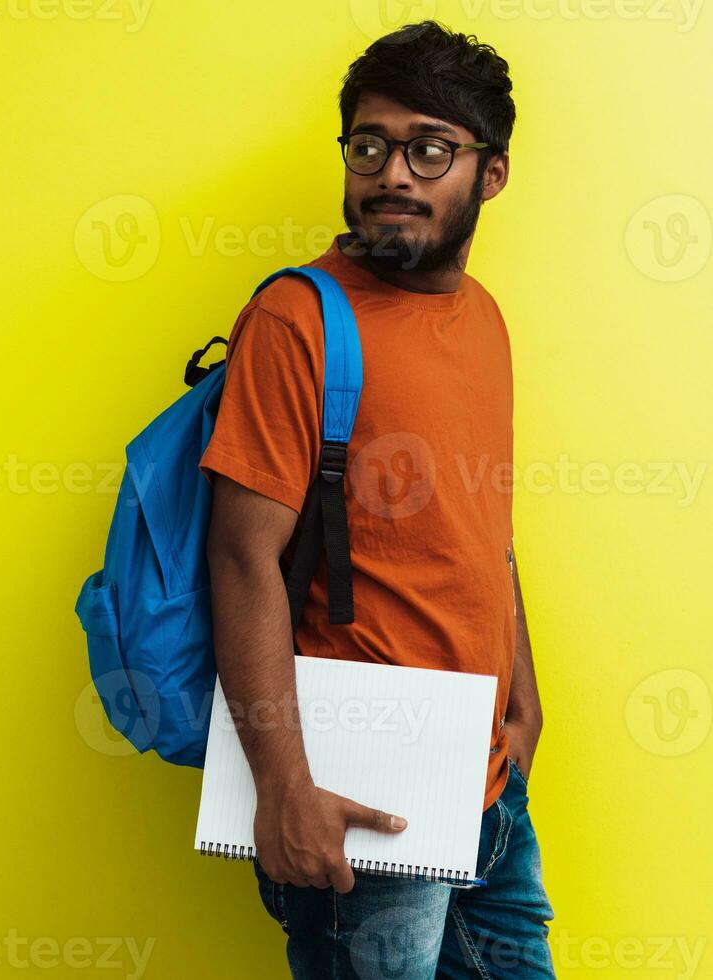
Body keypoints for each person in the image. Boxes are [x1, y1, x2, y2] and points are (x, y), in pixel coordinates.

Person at [198, 19, 555, 979]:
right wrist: (283, 786)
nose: (391, 173)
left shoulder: (481, 318)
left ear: (490, 173)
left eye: (429, 148)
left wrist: (521, 697)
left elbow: (482, 528)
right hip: (360, 791)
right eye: (370, 145)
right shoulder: (297, 320)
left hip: (483, 782)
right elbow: (240, 557)